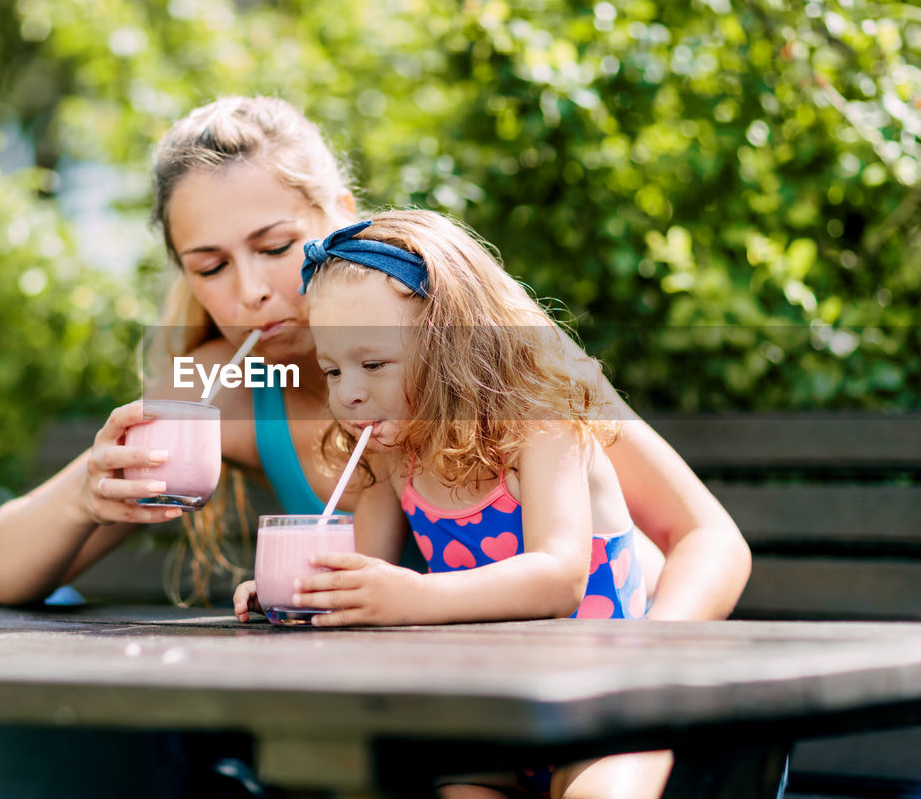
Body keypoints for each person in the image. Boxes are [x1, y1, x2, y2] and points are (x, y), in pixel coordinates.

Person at [0, 95, 750, 628]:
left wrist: (651, 663)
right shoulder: (229, 387)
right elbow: (1, 574)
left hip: (597, 663)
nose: (250, 292)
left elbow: (708, 538)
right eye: (209, 266)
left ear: (343, 217)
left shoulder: (486, 364)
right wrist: (88, 488)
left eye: (277, 247)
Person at [234, 210, 667, 798]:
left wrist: (413, 596)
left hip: (603, 702)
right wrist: (306, 593)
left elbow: (560, 576)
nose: (349, 391)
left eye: (375, 364)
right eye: (333, 369)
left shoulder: (538, 428)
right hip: (491, 713)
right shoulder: (392, 460)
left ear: (452, 345)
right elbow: (357, 574)